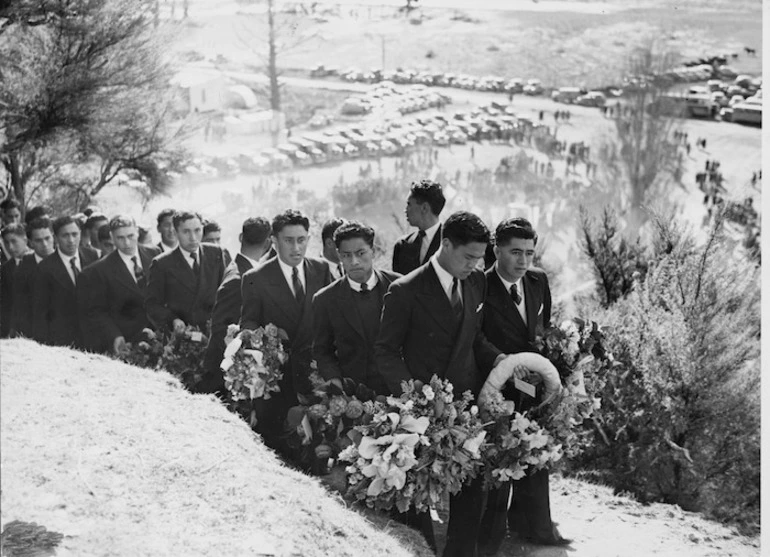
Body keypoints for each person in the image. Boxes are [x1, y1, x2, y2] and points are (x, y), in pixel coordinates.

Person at [376, 211, 505, 557]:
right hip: (419, 416)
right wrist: (416, 396)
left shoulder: (476, 282)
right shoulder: (405, 290)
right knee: (418, 500)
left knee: (470, 496)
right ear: (445, 244)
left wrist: (498, 359)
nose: (475, 265)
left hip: (466, 411)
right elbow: (385, 352)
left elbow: (474, 337)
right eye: (469, 257)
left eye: (480, 258)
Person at [479, 217, 569, 554]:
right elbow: (476, 336)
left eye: (529, 253)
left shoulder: (537, 280)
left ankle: (534, 527)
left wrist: (545, 368)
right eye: (515, 252)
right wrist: (504, 362)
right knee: (501, 456)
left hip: (533, 383)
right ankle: (491, 536)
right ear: (497, 250)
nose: (523, 260)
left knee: (535, 450)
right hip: (496, 383)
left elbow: (543, 329)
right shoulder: (480, 284)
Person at [240, 210, 332, 454]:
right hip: (278, 380)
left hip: (315, 376)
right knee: (281, 449)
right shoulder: (255, 278)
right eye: (288, 240)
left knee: (318, 447)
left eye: (301, 240)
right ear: (274, 241)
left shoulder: (322, 271)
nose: (296, 247)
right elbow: (248, 323)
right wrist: (265, 337)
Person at [313, 221, 400, 396]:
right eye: (346, 255)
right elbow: (322, 350)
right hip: (353, 395)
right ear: (339, 256)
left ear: (373, 251)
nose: (354, 262)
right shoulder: (325, 299)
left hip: (400, 390)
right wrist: (335, 381)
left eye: (361, 253)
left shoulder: (399, 287)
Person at [199, 217, 273, 397]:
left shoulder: (241, 267)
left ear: (241, 237)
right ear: (269, 242)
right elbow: (219, 330)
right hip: (229, 375)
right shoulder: (238, 279)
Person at [79, 215, 161, 355]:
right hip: (128, 342)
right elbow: (97, 311)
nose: (127, 243)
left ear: (137, 232)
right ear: (112, 237)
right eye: (120, 238)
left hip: (160, 336)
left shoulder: (154, 254)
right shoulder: (98, 271)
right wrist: (114, 336)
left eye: (130, 236)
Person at [145, 211, 227, 333]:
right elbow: (152, 305)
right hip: (183, 336)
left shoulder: (216, 253)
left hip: (215, 332)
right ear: (176, 232)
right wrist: (173, 320)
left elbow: (226, 293)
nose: (193, 238)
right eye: (186, 232)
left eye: (197, 230)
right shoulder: (162, 264)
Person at [31, 216, 99, 348]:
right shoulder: (44, 268)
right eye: (65, 236)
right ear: (56, 238)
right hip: (63, 341)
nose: (71, 240)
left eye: (75, 234)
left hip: (94, 336)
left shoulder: (92, 256)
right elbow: (41, 312)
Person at [12, 217, 56, 338]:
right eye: (38, 240)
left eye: (47, 238)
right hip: (35, 334)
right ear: (30, 243)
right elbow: (20, 307)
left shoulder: (68, 262)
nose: (45, 244)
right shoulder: (22, 270)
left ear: (53, 236)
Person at [392, 180, 444, 275]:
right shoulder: (402, 246)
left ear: (424, 208)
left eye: (409, 204)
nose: (405, 210)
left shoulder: (451, 243)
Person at [1, 223, 29, 337]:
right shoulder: (6, 268)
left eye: (14, 241)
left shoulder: (41, 261)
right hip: (16, 328)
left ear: (25, 240)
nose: (10, 247)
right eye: (6, 243)